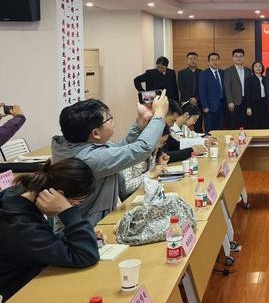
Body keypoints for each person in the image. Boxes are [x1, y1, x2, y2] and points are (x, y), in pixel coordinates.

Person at [52, 92, 168, 227]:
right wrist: (159, 115)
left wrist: (141, 122)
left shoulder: (75, 145)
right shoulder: (89, 159)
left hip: (92, 223)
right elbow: (141, 149)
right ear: (95, 133)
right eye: (109, 118)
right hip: (85, 229)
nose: (113, 121)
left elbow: (121, 148)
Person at [0, 158, 100, 301]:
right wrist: (67, 212)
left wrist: (81, 236)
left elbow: (43, 240)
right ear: (58, 195)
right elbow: (86, 255)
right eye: (74, 204)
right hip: (21, 293)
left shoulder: (23, 198)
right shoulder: (19, 224)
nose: (73, 207)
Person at [120, 126, 170, 200]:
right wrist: (149, 174)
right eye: (161, 142)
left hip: (145, 195)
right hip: (131, 199)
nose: (161, 146)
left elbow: (151, 177)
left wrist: (160, 165)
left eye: (164, 143)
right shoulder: (130, 153)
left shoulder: (153, 151)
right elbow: (125, 187)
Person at [223, 48, 250, 130]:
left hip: (246, 101)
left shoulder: (248, 70)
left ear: (243, 57)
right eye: (236, 56)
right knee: (234, 124)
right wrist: (230, 101)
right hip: (234, 102)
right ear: (233, 58)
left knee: (246, 123)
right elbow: (227, 87)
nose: (238, 58)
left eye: (240, 56)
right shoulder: (228, 71)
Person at [199, 52, 225, 132]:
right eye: (212, 60)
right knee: (209, 130)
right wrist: (205, 106)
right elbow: (202, 91)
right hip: (209, 107)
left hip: (222, 106)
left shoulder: (223, 72)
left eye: (216, 60)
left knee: (220, 130)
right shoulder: (203, 74)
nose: (215, 62)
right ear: (209, 62)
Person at [245, 61, 269, 130]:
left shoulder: (265, 79)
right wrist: (248, 107)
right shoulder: (249, 79)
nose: (258, 68)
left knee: (264, 123)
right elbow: (247, 94)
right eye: (256, 66)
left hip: (264, 104)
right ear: (253, 68)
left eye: (259, 66)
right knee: (255, 124)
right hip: (254, 105)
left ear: (262, 68)